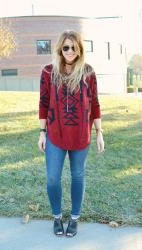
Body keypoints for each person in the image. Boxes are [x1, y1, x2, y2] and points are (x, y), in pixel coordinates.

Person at [38, 30, 104, 237]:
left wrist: (99, 131)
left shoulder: (88, 72)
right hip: (55, 134)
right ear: (60, 48)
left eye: (74, 47)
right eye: (66, 47)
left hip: (81, 135)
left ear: (80, 49)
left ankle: (74, 219)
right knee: (52, 179)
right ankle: (57, 217)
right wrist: (42, 132)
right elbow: (43, 103)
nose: (70, 51)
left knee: (77, 177)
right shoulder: (48, 72)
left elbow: (94, 104)